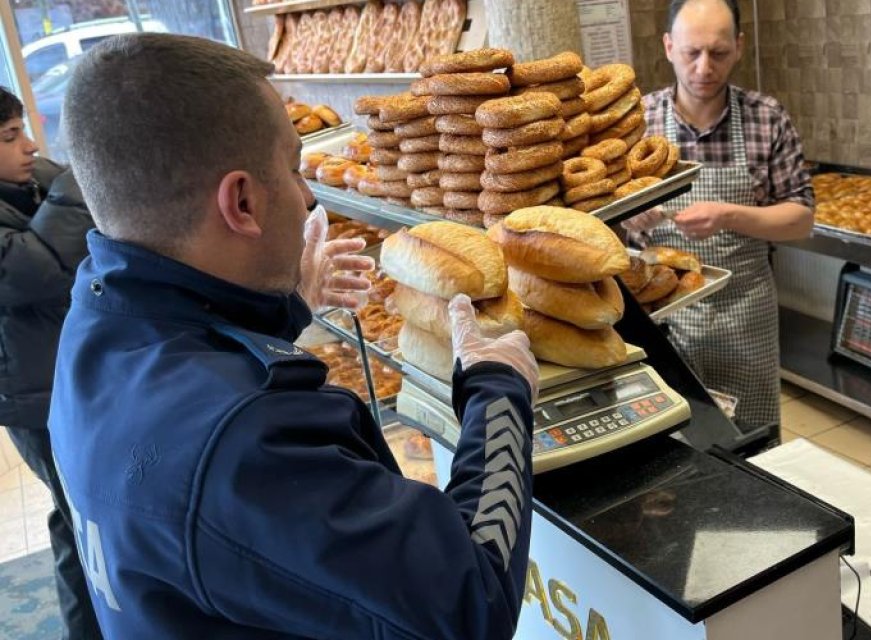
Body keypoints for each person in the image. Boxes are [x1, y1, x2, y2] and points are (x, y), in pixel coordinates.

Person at [49, 33, 540, 639]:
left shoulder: (96, 316)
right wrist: (499, 392)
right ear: (243, 202)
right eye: (291, 166)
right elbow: (472, 601)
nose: (307, 195)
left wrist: (275, 310)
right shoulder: (248, 443)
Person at [625, 0, 815, 438]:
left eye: (719, 53)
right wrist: (629, 218)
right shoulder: (639, 123)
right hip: (660, 314)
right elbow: (598, 218)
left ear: (740, 47)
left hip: (744, 314)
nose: (705, 68)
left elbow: (801, 218)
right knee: (673, 439)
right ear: (669, 46)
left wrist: (730, 215)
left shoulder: (767, 119)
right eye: (692, 53)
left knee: (752, 440)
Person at [0, 87, 102, 640]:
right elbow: (35, 270)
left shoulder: (30, 181)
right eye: (10, 137)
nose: (29, 145)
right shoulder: (51, 185)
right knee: (81, 521)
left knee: (79, 516)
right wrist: (76, 184)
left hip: (66, 378)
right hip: (33, 397)